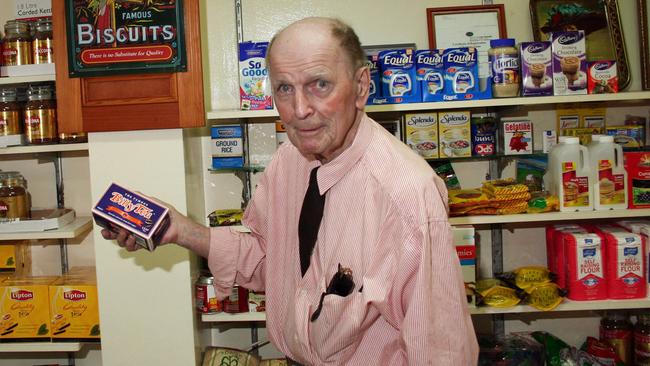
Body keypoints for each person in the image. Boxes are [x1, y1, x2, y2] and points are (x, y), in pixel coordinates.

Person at [103, 17, 478, 365]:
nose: (299, 110)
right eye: (285, 88)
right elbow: (272, 261)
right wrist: (181, 230)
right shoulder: (289, 161)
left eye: (320, 85)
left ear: (361, 87)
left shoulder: (407, 192)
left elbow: (440, 349)